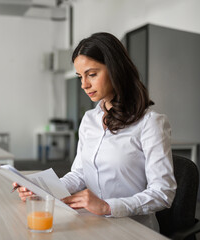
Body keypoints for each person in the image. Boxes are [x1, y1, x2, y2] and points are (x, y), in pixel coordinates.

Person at [14, 32, 177, 231]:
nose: (84, 85)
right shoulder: (90, 119)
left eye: (92, 74)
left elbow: (162, 193)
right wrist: (42, 189)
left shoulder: (150, 123)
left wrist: (108, 206)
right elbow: (79, 174)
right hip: (91, 221)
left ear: (117, 70)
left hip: (132, 228)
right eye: (80, 76)